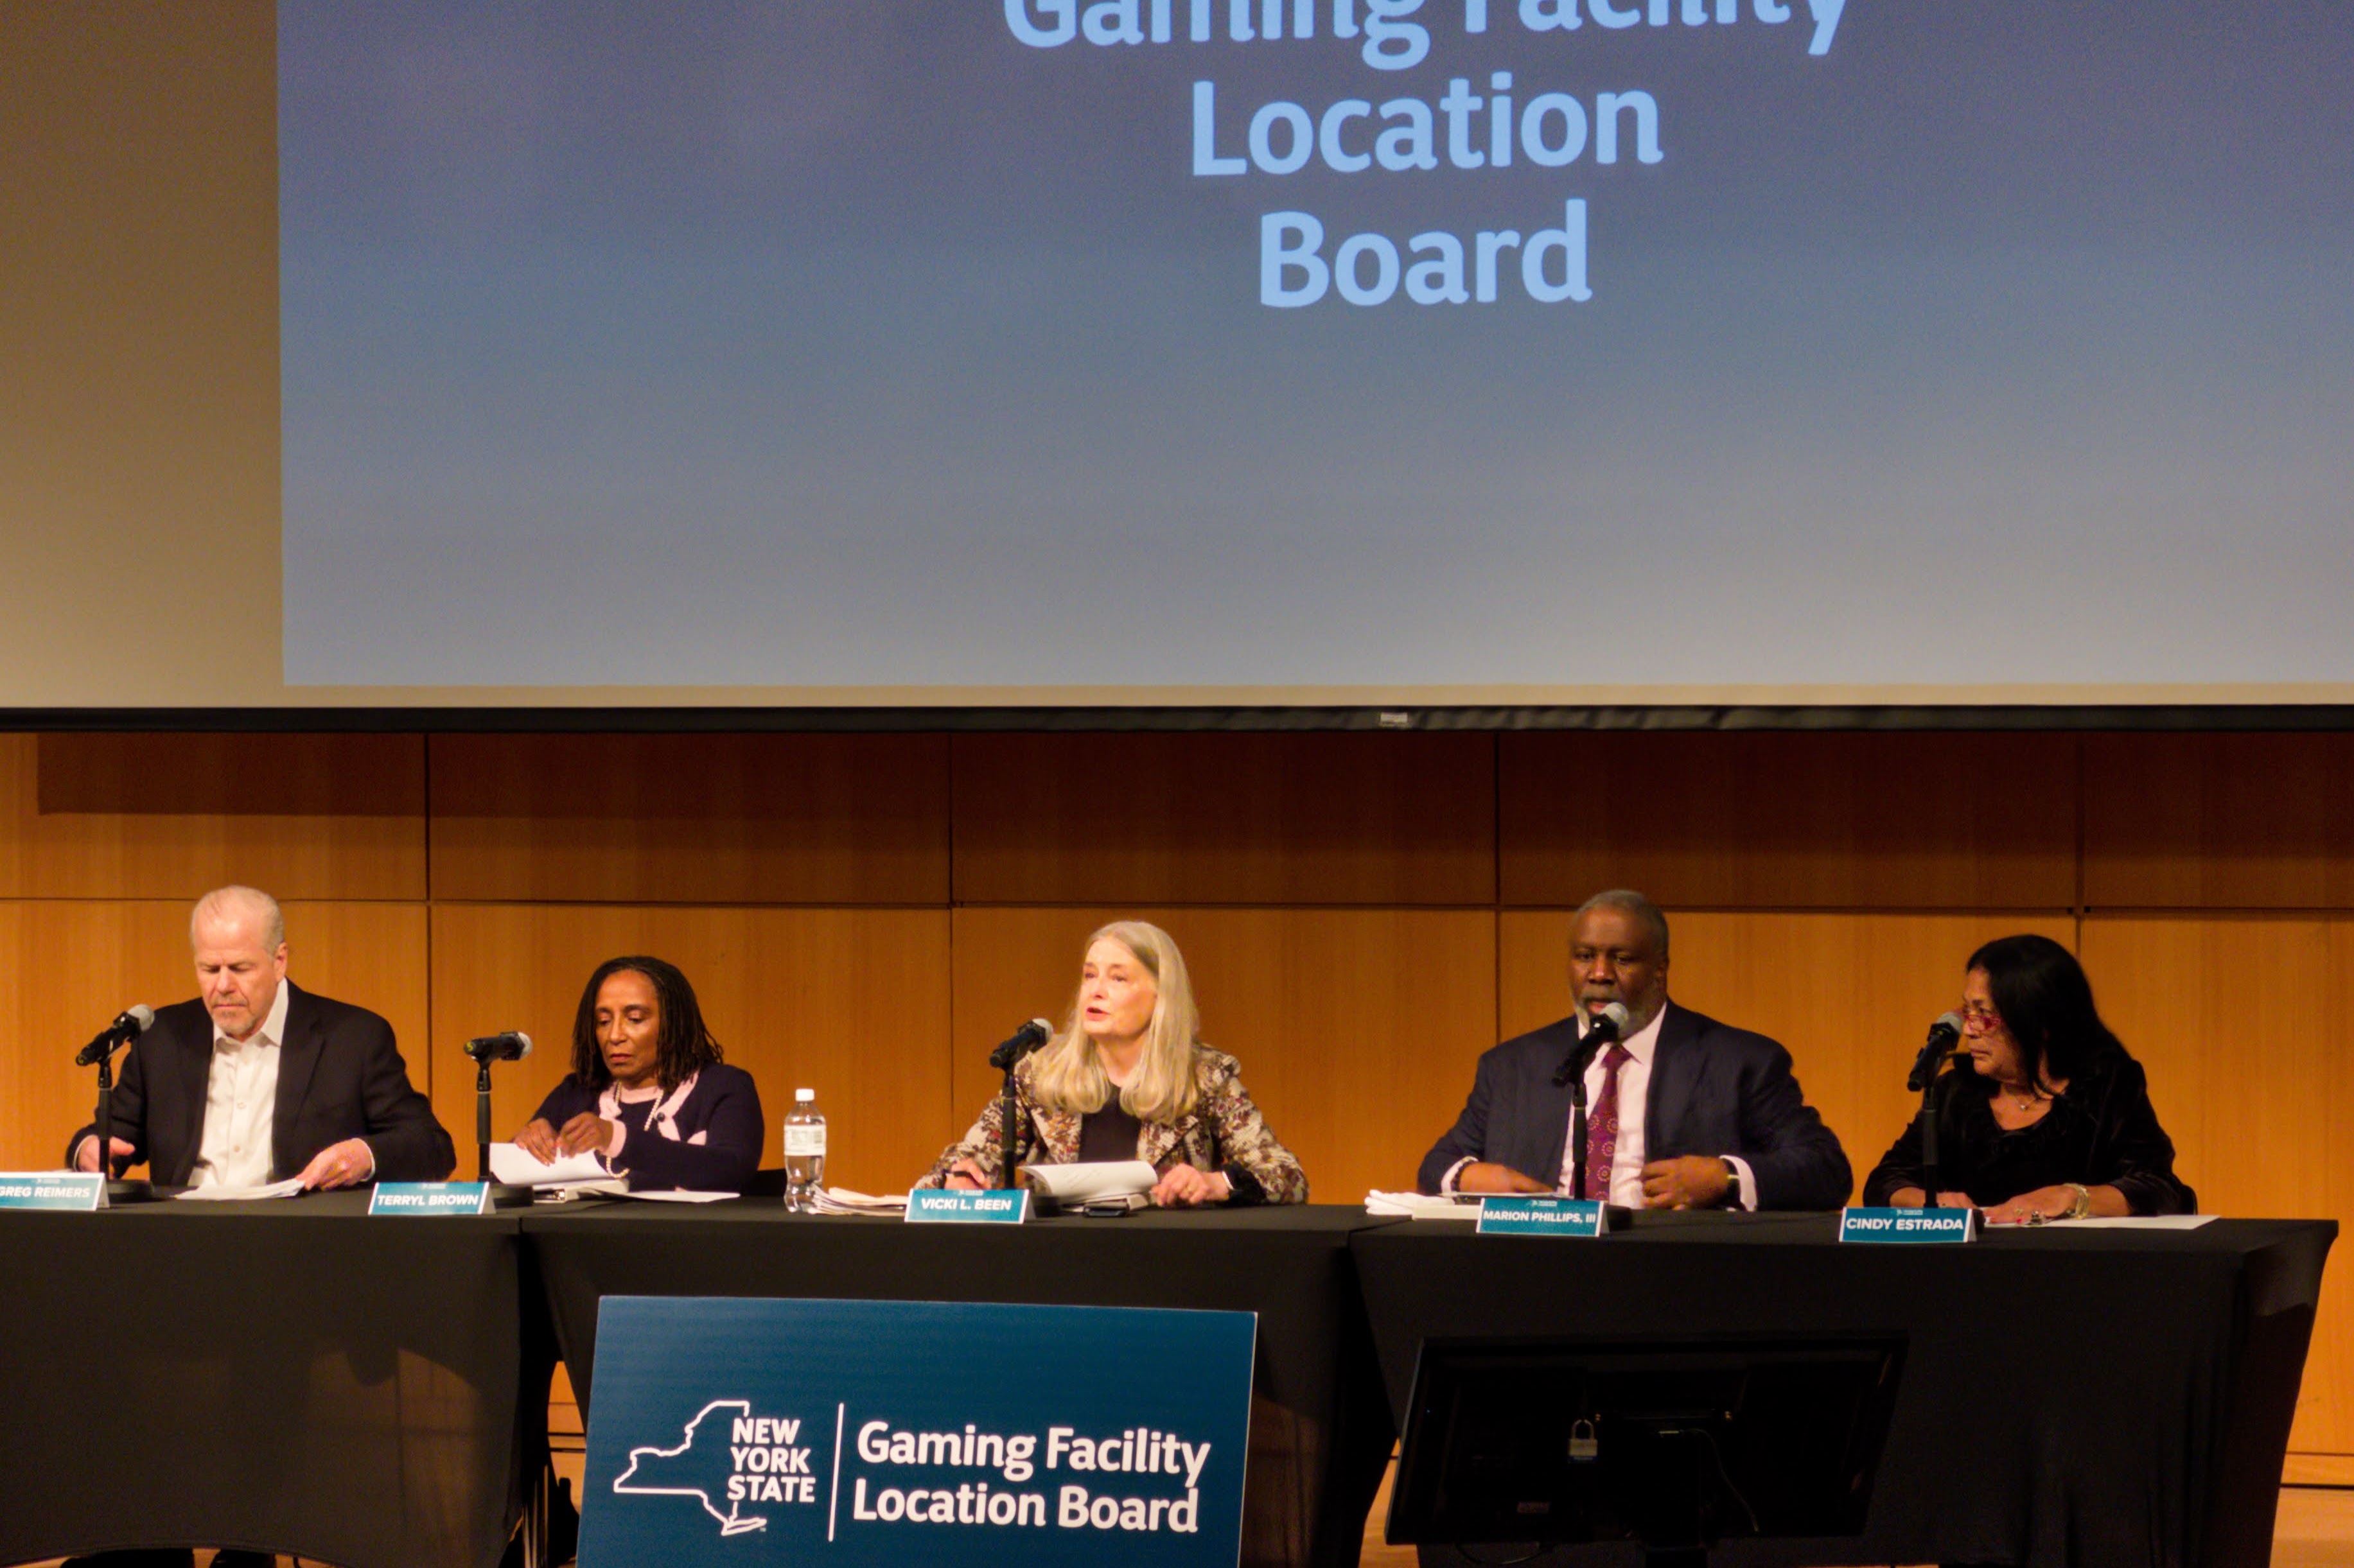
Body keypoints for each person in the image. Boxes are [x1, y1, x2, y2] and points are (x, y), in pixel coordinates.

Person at [1418, 889, 1851, 1210]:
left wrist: (1726, 1178)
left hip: (1674, 1270)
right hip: (1541, 1265)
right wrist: (1470, 1177)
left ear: (1660, 969)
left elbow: (1826, 1170)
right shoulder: (1513, 1065)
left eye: (1621, 959)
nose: (1599, 974)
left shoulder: (1739, 1062)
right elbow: (1438, 1164)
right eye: (1584, 956)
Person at [68, 885, 453, 1190]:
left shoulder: (353, 1038)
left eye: (240, 968)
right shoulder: (163, 1038)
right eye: (209, 969)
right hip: (183, 1237)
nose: (222, 986)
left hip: (299, 1242)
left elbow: (432, 1146)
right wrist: (88, 1151)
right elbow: (108, 1138)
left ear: (279, 961)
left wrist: (364, 1155)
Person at [916, 921, 1307, 1206]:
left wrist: (1215, 1183)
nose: (1096, 990)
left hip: (1163, 1260)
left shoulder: (1204, 1077)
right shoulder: (1040, 1072)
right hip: (1054, 1260)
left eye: (1118, 979)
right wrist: (962, 1176)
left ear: (1161, 996)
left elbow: (1286, 1174)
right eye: (1090, 976)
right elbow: (966, 1160)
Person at [1863, 934, 2194, 1222]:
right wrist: (1932, 1202)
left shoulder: (2108, 1087)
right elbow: (1885, 1182)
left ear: (2039, 1023)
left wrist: (2073, 1197)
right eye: (1967, 1012)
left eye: (1985, 1014)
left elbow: (2160, 1188)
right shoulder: (1956, 1092)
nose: (1970, 1030)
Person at [513, 955, 764, 1194]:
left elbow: (734, 1170)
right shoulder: (577, 1092)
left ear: (673, 1023)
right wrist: (525, 1146)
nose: (614, 1036)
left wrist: (615, 1137)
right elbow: (509, 1184)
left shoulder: (724, 1086)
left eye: (635, 1019)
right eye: (603, 1021)